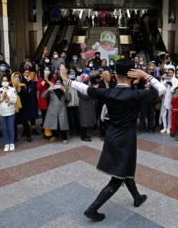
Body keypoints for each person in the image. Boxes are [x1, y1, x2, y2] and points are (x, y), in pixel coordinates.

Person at [59, 59, 166, 222]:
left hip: (112, 135)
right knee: (117, 177)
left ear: (115, 75)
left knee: (125, 168)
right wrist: (146, 75)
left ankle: (136, 197)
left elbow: (84, 88)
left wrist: (66, 79)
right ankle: (92, 210)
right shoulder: (136, 94)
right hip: (127, 138)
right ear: (132, 76)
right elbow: (162, 88)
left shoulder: (107, 92)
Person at [42, 77, 71, 144]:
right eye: (57, 82)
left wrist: (65, 91)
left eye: (59, 82)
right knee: (54, 123)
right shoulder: (52, 90)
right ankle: (55, 135)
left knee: (62, 124)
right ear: (54, 83)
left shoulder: (64, 89)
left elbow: (69, 98)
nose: (58, 84)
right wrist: (49, 89)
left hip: (62, 109)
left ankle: (64, 138)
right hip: (53, 109)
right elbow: (43, 96)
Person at [0, 75, 17, 151]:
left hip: (11, 112)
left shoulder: (12, 89)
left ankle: (11, 143)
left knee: (10, 128)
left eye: (6, 80)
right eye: (3, 81)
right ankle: (6, 143)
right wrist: (2, 98)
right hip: (2, 112)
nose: (4, 82)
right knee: (4, 128)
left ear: (9, 81)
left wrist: (7, 97)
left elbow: (14, 100)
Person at [11, 72, 32, 142]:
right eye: (15, 77)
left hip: (22, 106)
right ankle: (15, 137)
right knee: (14, 123)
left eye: (18, 77)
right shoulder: (10, 86)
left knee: (25, 122)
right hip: (13, 106)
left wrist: (18, 89)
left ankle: (28, 136)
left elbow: (26, 94)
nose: (17, 78)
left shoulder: (23, 85)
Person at [160, 68, 178, 134]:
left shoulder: (176, 80)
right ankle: (164, 127)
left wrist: (171, 85)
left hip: (171, 98)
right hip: (165, 99)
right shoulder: (166, 79)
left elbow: (174, 90)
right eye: (169, 72)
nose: (170, 74)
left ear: (173, 73)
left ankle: (169, 127)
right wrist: (162, 79)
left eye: (171, 72)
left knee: (170, 115)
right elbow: (161, 86)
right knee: (163, 114)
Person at [78, 74, 96, 141]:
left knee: (87, 120)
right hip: (84, 105)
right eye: (86, 78)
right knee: (84, 121)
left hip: (88, 105)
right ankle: (83, 136)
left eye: (88, 78)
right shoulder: (80, 86)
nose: (87, 79)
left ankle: (85, 134)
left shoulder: (88, 85)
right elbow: (85, 95)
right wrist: (93, 90)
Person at [21, 68, 39, 134]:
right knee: (25, 115)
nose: (27, 74)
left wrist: (35, 82)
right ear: (23, 73)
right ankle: (25, 129)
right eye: (26, 72)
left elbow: (35, 89)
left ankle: (33, 128)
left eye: (28, 72)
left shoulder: (32, 79)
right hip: (25, 100)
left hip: (32, 99)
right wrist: (27, 82)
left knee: (33, 113)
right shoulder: (21, 80)